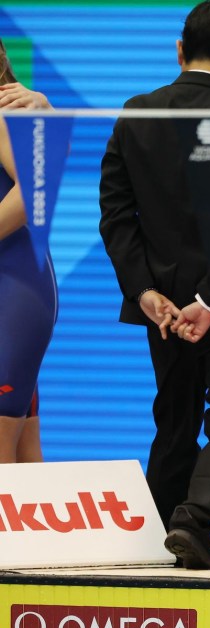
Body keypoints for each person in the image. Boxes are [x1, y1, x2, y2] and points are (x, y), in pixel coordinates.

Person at [99, 0, 210, 569]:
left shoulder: (136, 113)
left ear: (180, 50)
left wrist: (146, 292)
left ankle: (158, 542)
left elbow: (115, 213)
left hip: (163, 307)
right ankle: (192, 523)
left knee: (175, 419)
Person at [0, 40, 57, 464]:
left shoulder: (7, 111)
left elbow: (35, 191)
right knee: (24, 455)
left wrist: (46, 116)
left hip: (14, 291)